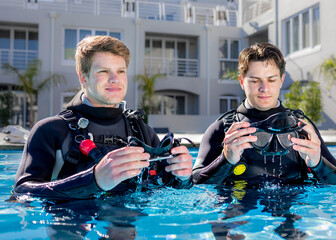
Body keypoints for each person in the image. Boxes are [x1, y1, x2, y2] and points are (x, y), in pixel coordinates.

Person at [14, 35, 193, 200]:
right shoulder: (51, 131)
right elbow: (22, 192)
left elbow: (168, 190)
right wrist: (93, 180)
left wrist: (182, 176)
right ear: (83, 77)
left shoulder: (143, 132)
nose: (115, 79)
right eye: (104, 71)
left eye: (121, 71)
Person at [192, 42, 336, 185]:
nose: (264, 88)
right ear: (242, 81)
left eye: (271, 80)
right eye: (255, 81)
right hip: (237, 207)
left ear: (281, 80)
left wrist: (318, 163)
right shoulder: (220, 130)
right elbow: (194, 181)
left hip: (290, 208)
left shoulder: (302, 129)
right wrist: (225, 160)